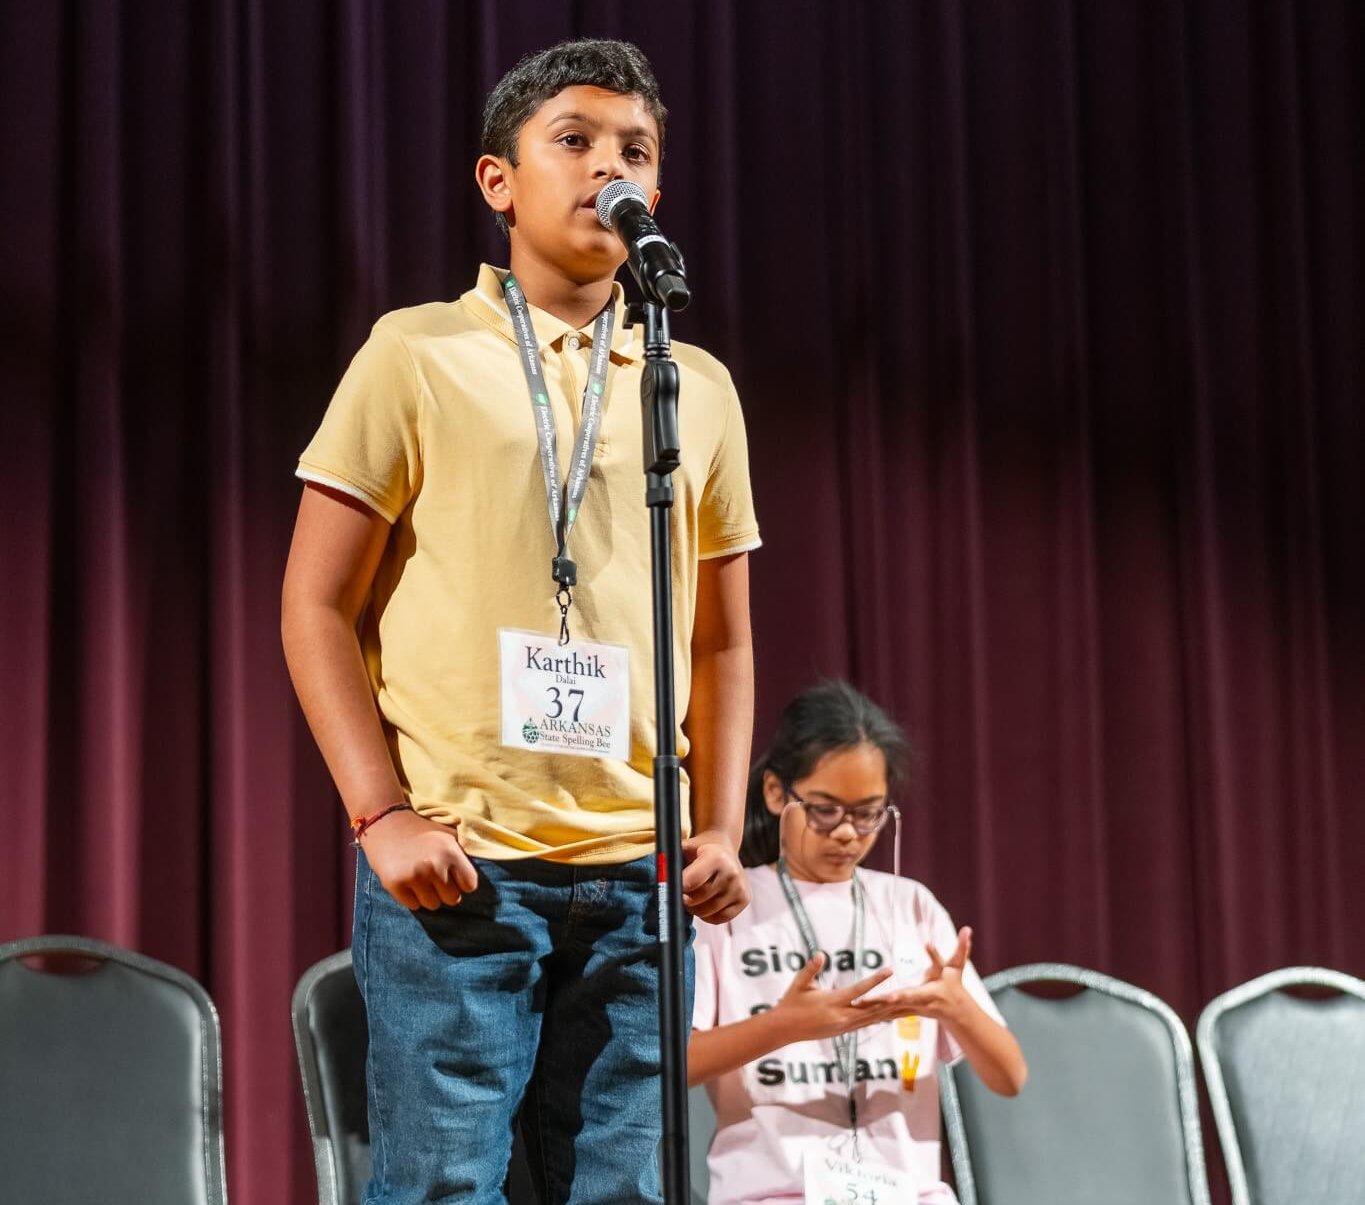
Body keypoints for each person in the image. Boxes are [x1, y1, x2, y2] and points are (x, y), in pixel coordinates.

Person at [281, 38, 760, 1205]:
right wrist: (381, 812)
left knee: (627, 1189)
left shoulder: (692, 385)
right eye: (576, 140)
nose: (609, 167)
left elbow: (722, 637)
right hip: (463, 866)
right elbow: (315, 601)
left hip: (637, 874)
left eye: (635, 150)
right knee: (444, 1183)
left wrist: (717, 823)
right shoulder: (417, 352)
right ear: (498, 180)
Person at [690, 681, 1027, 1204]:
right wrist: (783, 1025)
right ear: (777, 793)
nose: (847, 832)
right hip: (773, 1194)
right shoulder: (731, 909)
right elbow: (673, 1064)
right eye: (824, 810)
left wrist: (956, 1006)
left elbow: (1010, 1077)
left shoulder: (910, 906)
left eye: (868, 813)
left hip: (908, 1194)